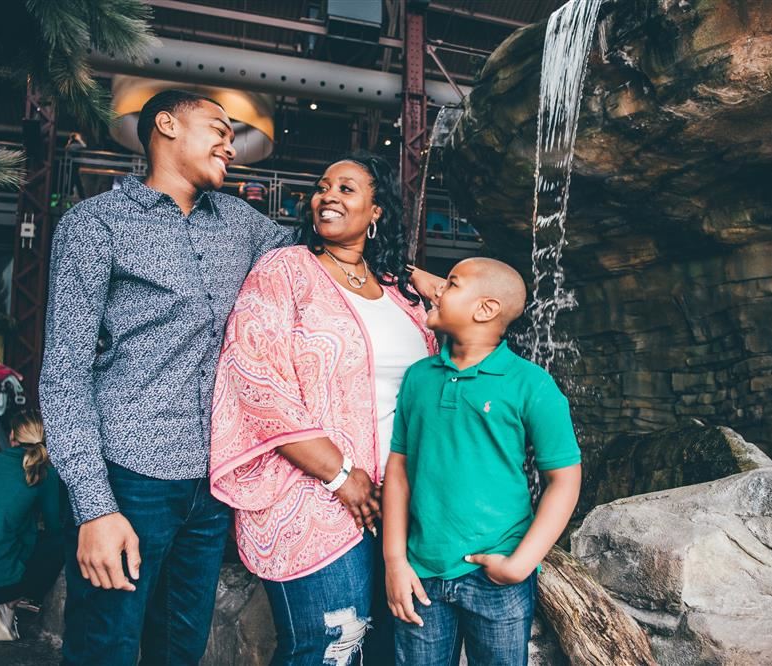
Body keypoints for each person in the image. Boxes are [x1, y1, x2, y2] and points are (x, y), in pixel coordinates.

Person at [39, 89, 295, 665]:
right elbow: (63, 376)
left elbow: (320, 256)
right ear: (166, 126)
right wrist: (95, 508)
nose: (231, 142)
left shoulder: (242, 223)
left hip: (212, 485)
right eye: (218, 128)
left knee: (180, 651)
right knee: (103, 648)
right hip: (129, 476)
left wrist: (410, 279)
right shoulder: (95, 224)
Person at [210, 151, 436, 665]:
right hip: (315, 498)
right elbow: (257, 381)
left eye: (347, 188)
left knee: (389, 649)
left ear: (377, 210)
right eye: (321, 186)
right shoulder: (285, 271)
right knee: (331, 650)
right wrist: (343, 476)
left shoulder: (403, 292)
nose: (328, 195)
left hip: (399, 503)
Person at [384, 257, 583, 666]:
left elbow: (564, 479)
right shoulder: (419, 377)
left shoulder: (531, 383)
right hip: (421, 573)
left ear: (486, 310)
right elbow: (399, 471)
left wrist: (520, 564)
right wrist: (394, 562)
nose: (436, 289)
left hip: (497, 576)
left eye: (451, 284)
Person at [0, 409, 62, 641]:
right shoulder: (46, 472)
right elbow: (54, 526)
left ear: (11, 437)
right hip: (1, 586)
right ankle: (4, 607)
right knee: (61, 542)